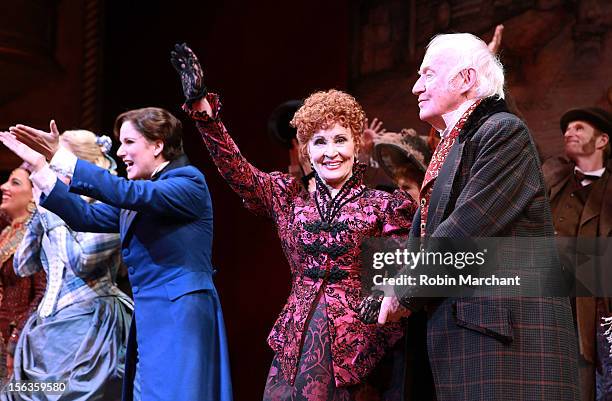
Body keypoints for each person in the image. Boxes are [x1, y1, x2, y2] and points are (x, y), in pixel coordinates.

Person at [171, 44, 415, 400]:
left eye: (340, 140)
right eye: (319, 142)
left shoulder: (384, 205)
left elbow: (401, 268)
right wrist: (205, 115)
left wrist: (383, 295)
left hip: (357, 351)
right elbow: (238, 172)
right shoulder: (288, 196)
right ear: (306, 151)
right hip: (296, 341)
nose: (330, 151)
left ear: (356, 145)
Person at [377, 33, 579, 400]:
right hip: (465, 338)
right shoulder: (458, 144)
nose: (415, 87)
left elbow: (465, 229)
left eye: (428, 75)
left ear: (466, 79)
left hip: (502, 348)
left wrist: (402, 290)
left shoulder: (502, 132)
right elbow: (428, 233)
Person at [0, 113, 232, 401]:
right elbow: (86, 215)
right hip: (149, 319)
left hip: (179, 315)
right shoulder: (141, 194)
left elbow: (128, 193)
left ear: (158, 145)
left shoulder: (187, 182)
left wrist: (60, 156)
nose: (120, 152)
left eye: (129, 142)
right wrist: (41, 168)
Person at [1, 130, 133, 401]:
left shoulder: (108, 209)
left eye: (56, 160)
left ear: (80, 166)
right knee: (19, 392)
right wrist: (40, 213)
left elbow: (81, 262)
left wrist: (55, 210)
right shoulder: (52, 207)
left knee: (67, 395)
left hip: (90, 326)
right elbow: (23, 266)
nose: (50, 168)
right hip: (46, 328)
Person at [542, 107, 612, 400]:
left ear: (602, 140)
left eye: (579, 127)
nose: (569, 132)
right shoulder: (554, 179)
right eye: (567, 128)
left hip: (592, 307)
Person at [0, 167, 46, 380]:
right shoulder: (7, 233)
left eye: (15, 183)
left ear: (33, 196)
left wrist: (16, 339)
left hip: (19, 341)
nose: (4, 187)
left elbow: (42, 292)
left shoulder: (36, 235)